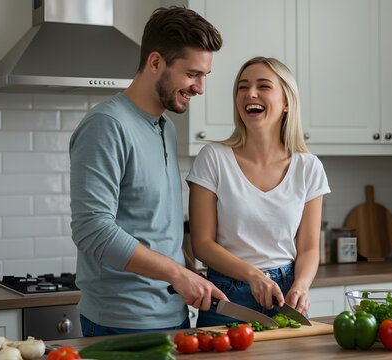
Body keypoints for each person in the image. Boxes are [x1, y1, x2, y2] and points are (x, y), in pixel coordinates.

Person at [69, 6, 226, 336]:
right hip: (120, 322)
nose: (200, 88)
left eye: (204, 77)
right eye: (192, 74)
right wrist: (177, 274)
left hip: (173, 314)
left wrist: (188, 272)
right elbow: (92, 228)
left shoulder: (166, 127)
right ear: (156, 62)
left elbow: (154, 225)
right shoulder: (107, 125)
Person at [187, 57, 330, 326]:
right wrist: (253, 276)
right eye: (243, 87)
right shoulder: (214, 158)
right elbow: (202, 245)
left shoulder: (308, 167)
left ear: (287, 102)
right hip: (228, 295)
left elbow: (309, 247)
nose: (250, 93)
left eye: (263, 86)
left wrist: (300, 286)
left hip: (286, 295)